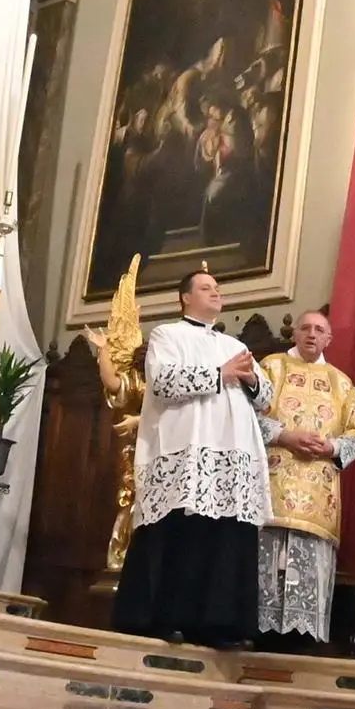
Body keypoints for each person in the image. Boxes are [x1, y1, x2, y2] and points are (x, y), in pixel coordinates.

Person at [113, 267, 272, 648]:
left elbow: (265, 399)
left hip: (231, 455)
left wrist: (250, 379)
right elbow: (164, 382)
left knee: (227, 537)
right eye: (206, 288)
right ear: (185, 297)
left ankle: (220, 625)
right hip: (186, 451)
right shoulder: (167, 335)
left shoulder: (234, 344)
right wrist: (222, 373)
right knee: (182, 532)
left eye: (218, 288)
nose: (216, 292)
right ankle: (164, 618)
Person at [257, 307, 355, 650]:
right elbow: (245, 416)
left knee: (305, 565)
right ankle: (258, 634)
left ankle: (299, 641)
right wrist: (284, 436)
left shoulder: (341, 383)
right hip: (272, 483)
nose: (312, 334)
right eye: (306, 328)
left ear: (329, 339)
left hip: (317, 492)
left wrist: (333, 445)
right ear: (294, 334)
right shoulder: (271, 367)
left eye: (319, 330)